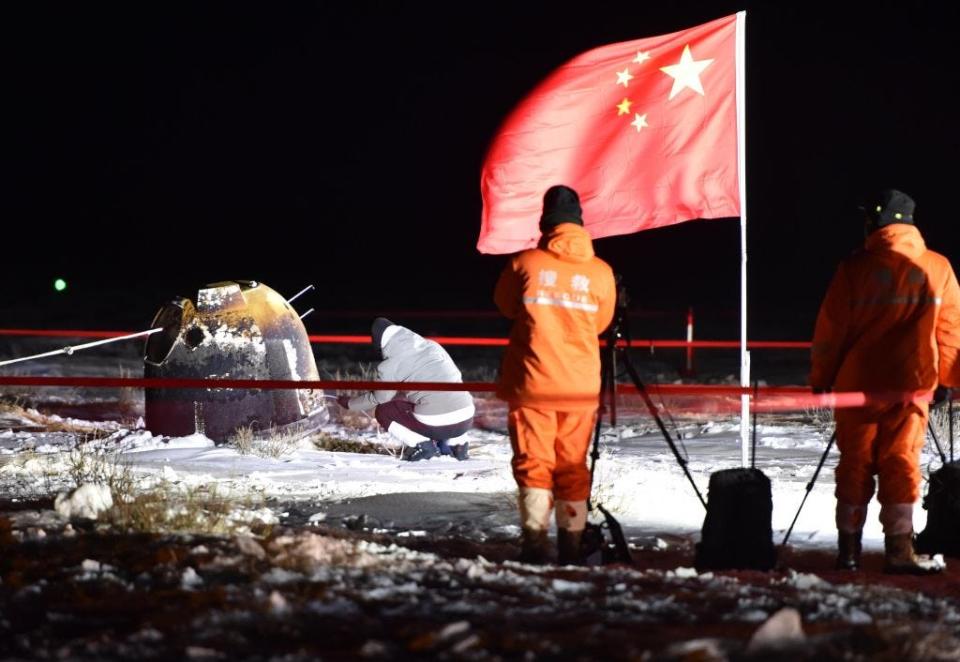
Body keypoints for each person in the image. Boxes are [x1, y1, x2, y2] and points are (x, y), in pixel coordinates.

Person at [810, 188, 960, 574]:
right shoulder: (938, 268)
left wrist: (822, 380)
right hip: (911, 386)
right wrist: (947, 379)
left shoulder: (853, 269)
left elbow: (831, 332)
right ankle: (898, 551)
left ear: (876, 222)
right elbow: (950, 332)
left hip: (857, 388)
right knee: (901, 464)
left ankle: (849, 551)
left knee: (855, 464)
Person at [494, 184, 616, 564]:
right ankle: (572, 546)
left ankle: (534, 545)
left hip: (533, 385)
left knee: (534, 462)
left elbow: (505, 306)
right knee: (573, 465)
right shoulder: (601, 272)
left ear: (545, 223)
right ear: (579, 224)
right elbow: (602, 324)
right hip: (580, 389)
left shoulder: (525, 263)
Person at [337, 318, 474, 461]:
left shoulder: (391, 364)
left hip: (438, 423)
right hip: (466, 417)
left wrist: (350, 403)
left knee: (385, 411)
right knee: (443, 400)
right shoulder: (433, 346)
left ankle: (423, 446)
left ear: (381, 344)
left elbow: (381, 398)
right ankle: (459, 444)